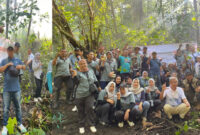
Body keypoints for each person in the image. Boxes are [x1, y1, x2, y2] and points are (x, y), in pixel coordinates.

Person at [0, 46, 27, 135]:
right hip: (7, 89)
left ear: (13, 52)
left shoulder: (17, 60)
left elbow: (25, 67)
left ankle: (20, 124)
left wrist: (21, 66)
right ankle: (5, 126)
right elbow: (0, 70)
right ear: (7, 52)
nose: (10, 53)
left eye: (12, 51)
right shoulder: (4, 61)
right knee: (6, 108)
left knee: (18, 107)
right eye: (9, 51)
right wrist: (8, 65)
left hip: (16, 89)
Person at [72, 59, 98, 134]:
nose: (83, 65)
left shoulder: (91, 71)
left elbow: (95, 80)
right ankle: (81, 125)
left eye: (84, 63)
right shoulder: (77, 73)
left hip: (89, 94)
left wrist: (98, 87)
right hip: (79, 95)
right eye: (81, 64)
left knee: (90, 108)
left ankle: (91, 124)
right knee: (80, 110)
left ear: (86, 63)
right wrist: (74, 76)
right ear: (79, 65)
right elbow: (76, 83)